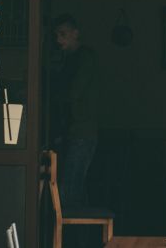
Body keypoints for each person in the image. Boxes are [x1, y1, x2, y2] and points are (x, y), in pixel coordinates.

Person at [52, 13, 100, 209]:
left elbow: (73, 93)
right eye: (56, 35)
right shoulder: (69, 60)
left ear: (75, 34)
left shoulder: (84, 58)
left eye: (62, 34)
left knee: (69, 189)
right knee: (74, 189)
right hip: (73, 132)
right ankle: (80, 239)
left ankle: (72, 239)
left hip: (81, 133)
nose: (58, 39)